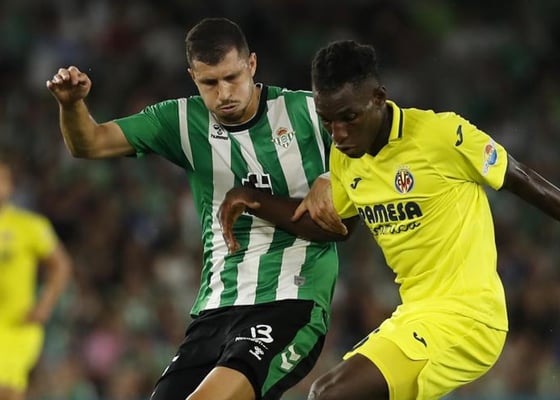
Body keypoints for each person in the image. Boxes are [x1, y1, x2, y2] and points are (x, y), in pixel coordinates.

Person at [219, 39, 560, 400]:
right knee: (328, 392)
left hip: (468, 317)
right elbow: (335, 226)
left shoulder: (441, 135)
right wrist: (255, 200)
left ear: (379, 98)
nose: (339, 134)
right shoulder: (346, 157)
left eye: (349, 117)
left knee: (329, 394)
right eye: (328, 121)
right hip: (414, 314)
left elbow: (524, 180)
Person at [46, 17, 349, 400]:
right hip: (216, 309)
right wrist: (72, 105)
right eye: (210, 83)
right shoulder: (181, 120)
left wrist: (334, 175)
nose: (224, 93)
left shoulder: (308, 112)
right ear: (193, 77)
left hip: (290, 302)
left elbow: (382, 136)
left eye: (232, 77)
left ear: (252, 65)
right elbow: (90, 143)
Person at [0, 156, 72, 400]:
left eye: (2, 179)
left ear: (10, 186)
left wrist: (45, 304)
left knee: (6, 390)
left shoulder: (29, 226)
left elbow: (60, 265)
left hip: (16, 325)